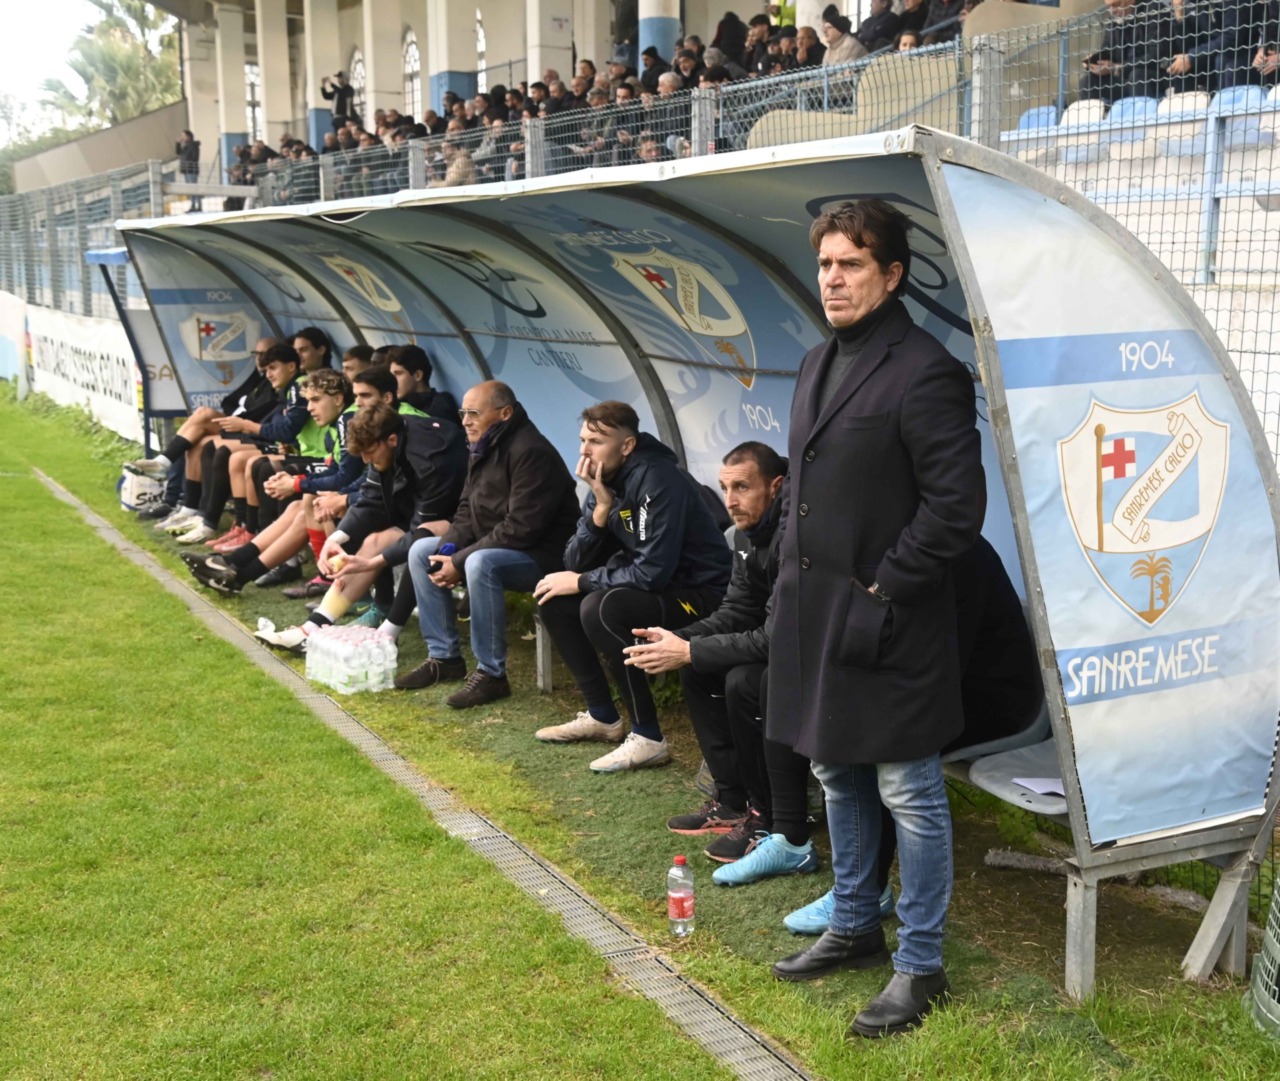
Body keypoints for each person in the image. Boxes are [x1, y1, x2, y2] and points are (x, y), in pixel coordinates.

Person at [765, 199, 985, 1039]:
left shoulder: (927, 370)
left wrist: (882, 590)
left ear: (891, 275)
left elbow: (955, 509)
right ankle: (856, 925)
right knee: (836, 769)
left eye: (851, 264)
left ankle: (921, 963)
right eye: (826, 262)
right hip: (817, 614)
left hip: (894, 618)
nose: (833, 278)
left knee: (908, 790)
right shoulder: (818, 359)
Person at [531, 401, 732, 773]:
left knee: (602, 608)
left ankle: (648, 737)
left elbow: (652, 572)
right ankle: (602, 716)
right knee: (553, 599)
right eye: (583, 440)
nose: (585, 451)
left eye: (596, 441)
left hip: (701, 595)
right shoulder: (605, 481)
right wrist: (600, 510)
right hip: (658, 589)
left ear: (627, 445)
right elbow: (574, 562)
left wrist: (584, 581)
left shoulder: (659, 479)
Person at [625, 442, 794, 875]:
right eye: (725, 488)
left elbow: (777, 639)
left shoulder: (796, 537)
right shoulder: (744, 535)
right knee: (699, 670)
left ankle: (768, 815)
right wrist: (678, 641)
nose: (731, 500)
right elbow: (736, 610)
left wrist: (690, 649)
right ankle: (732, 800)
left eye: (743, 487)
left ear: (776, 487)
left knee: (743, 681)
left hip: (808, 659)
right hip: (780, 649)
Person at [395, 381, 581, 707]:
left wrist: (460, 561)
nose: (466, 421)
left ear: (505, 413)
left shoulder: (531, 451)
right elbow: (466, 511)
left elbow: (521, 529)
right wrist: (446, 553)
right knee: (423, 551)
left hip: (545, 556)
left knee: (480, 563)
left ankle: (492, 675)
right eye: (463, 413)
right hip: (501, 547)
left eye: (474, 413)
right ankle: (444, 658)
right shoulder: (483, 444)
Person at [255, 403, 468, 653]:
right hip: (427, 509)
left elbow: (422, 531)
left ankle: (389, 632)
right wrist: (335, 539)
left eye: (369, 452)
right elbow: (370, 499)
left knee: (417, 547)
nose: (366, 460)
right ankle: (312, 628)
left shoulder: (431, 459)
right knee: (375, 540)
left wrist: (372, 563)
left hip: (466, 521)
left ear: (391, 440)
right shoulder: (387, 440)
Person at [176, 129, 201, 212]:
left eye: (183, 136)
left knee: (194, 187)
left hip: (191, 169)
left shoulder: (193, 145)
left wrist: (188, 162)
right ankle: (193, 204)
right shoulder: (184, 146)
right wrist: (177, 144)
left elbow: (195, 157)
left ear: (189, 136)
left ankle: (198, 204)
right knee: (190, 188)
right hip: (186, 169)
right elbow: (178, 152)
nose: (182, 137)